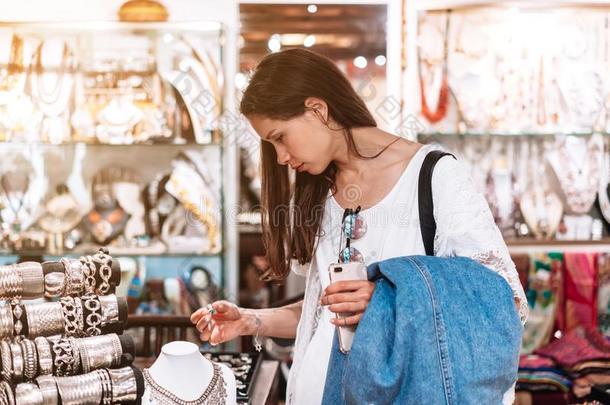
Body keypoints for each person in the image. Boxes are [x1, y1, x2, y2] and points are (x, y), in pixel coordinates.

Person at [190, 48, 528, 404]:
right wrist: (251, 320)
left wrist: (388, 297)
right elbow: (325, 316)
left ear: (317, 110)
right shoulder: (314, 193)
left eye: (279, 137)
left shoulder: (434, 176)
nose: (281, 157)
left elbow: (503, 299)